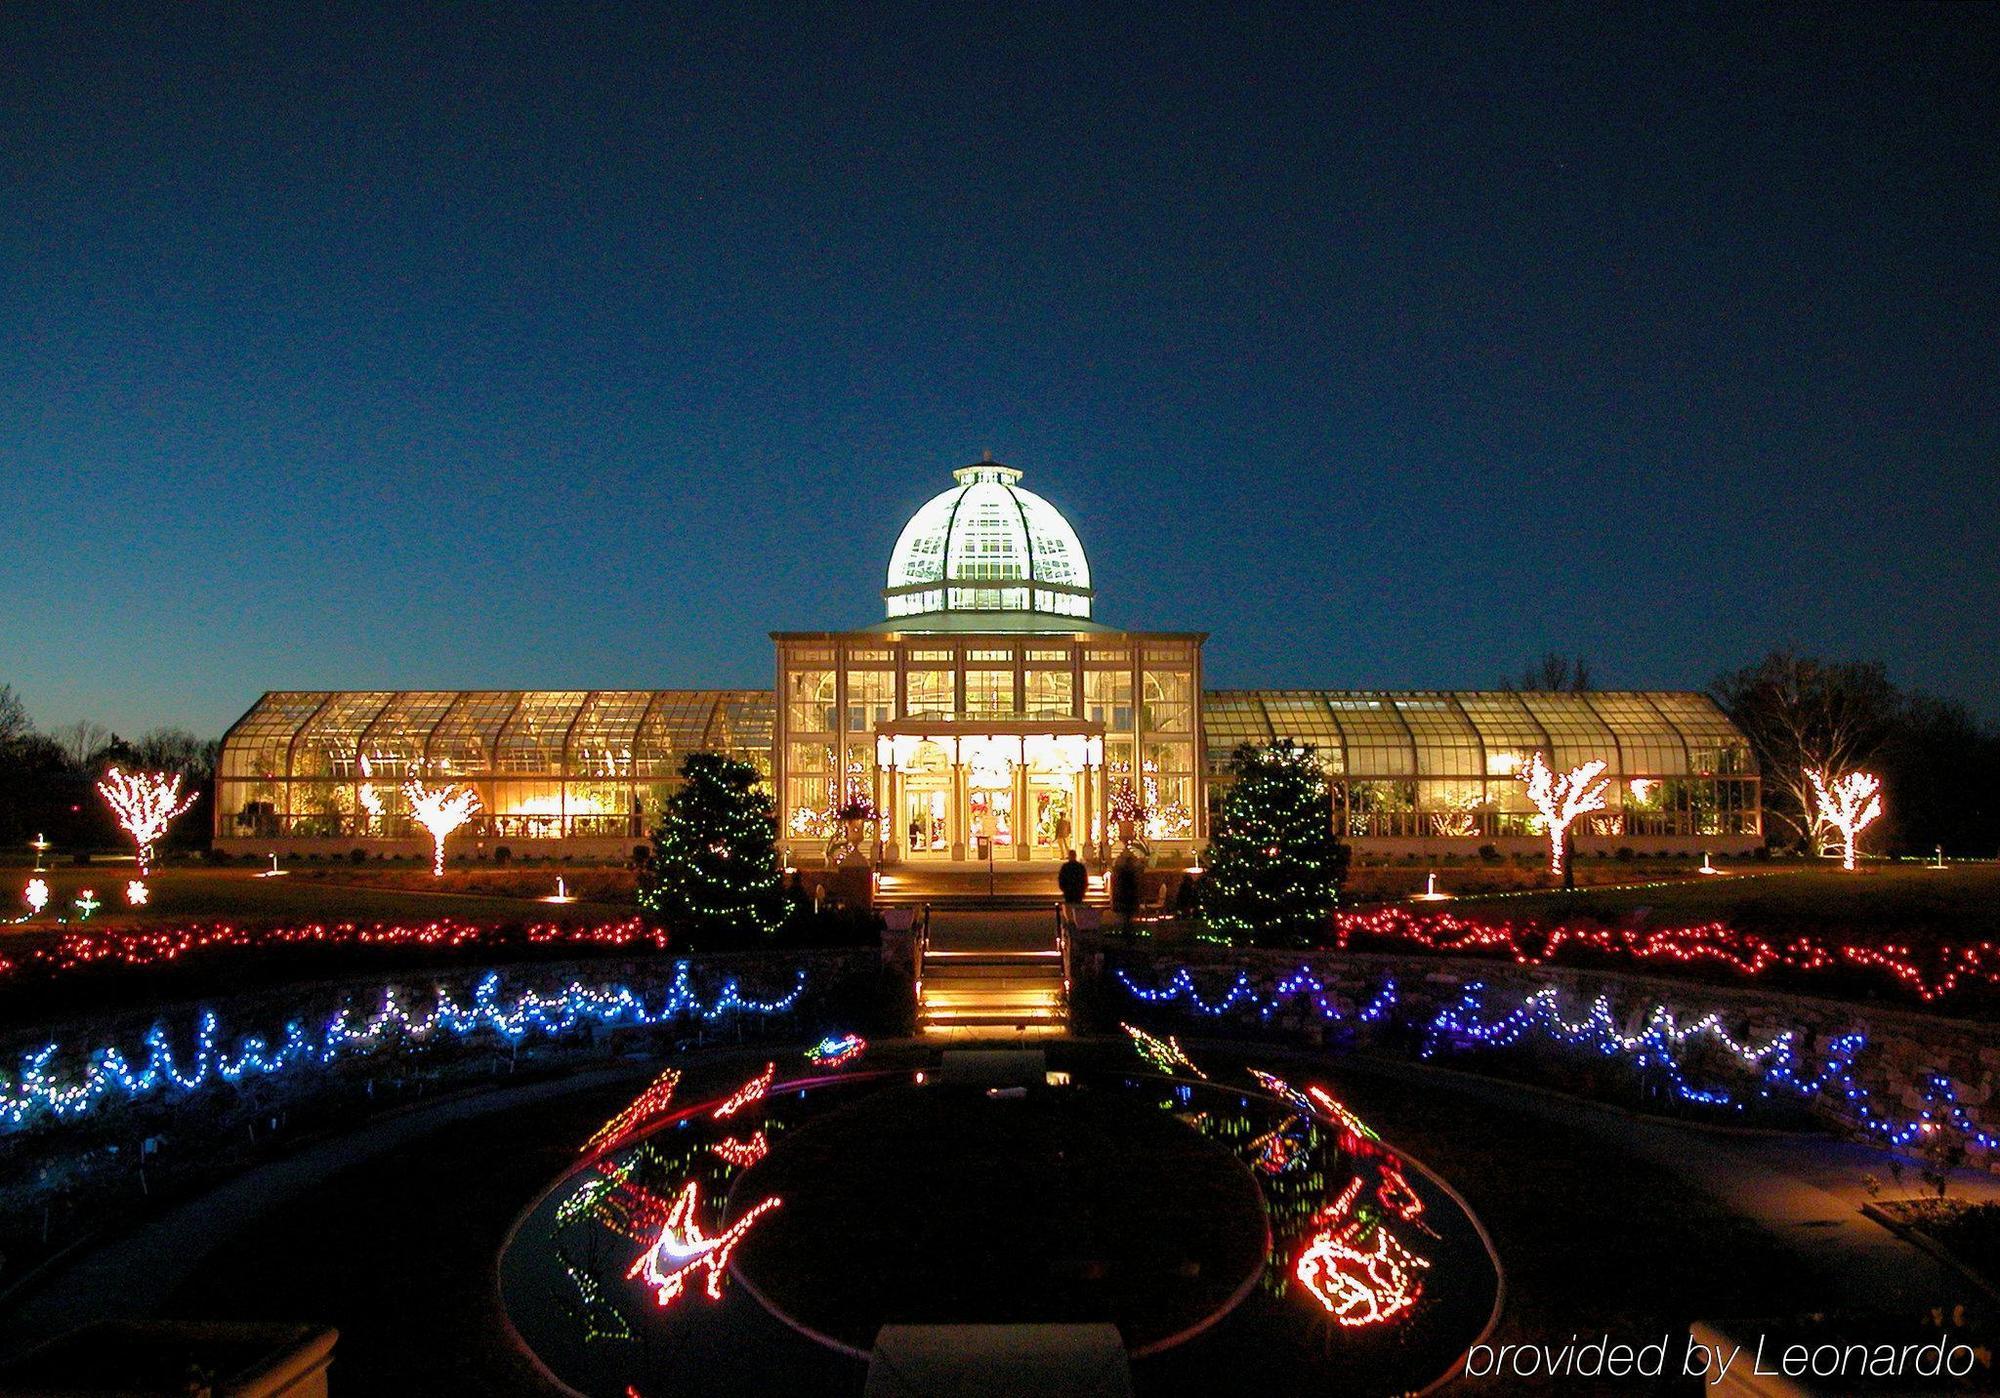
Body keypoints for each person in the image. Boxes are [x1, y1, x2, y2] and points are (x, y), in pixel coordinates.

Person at [1110, 848, 1141, 934]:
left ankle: (1125, 932)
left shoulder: (1122, 874)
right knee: (1128, 919)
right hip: (1129, 899)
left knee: (1124, 918)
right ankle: (1129, 933)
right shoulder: (1132, 874)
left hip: (1124, 899)